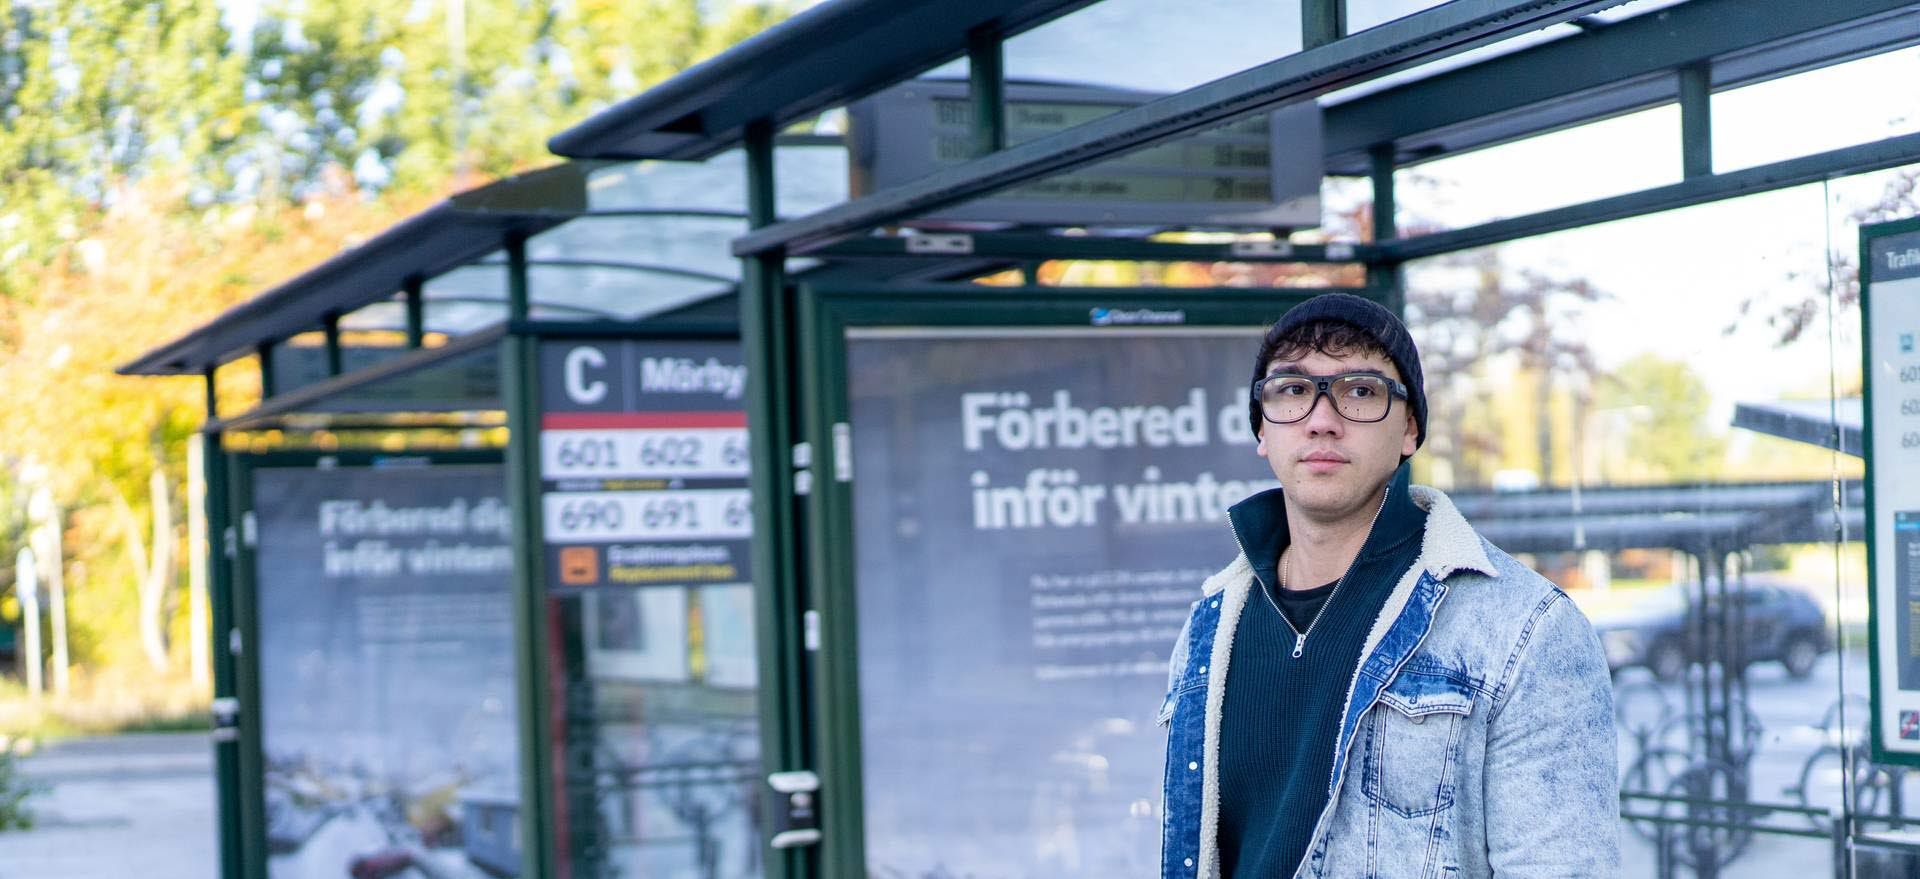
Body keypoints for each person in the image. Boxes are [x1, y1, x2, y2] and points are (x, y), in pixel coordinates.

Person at [1159, 292, 1618, 878]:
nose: (1322, 419)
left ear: (1410, 431)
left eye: (1359, 391)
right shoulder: (1211, 628)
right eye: (1293, 390)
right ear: (1262, 431)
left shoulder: (1525, 630)